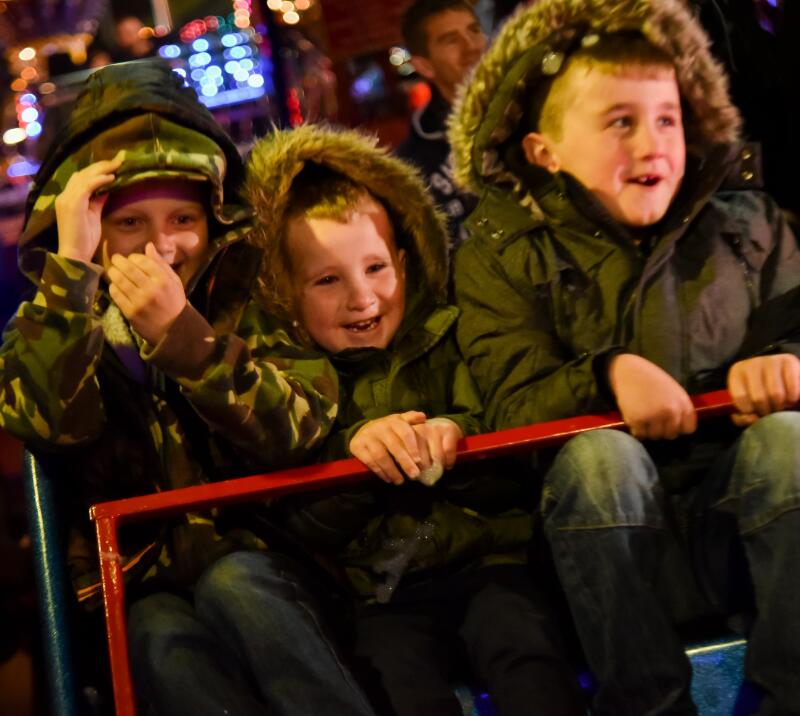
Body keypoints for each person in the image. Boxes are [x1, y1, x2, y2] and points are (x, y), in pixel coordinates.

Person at [449, 0, 800, 713]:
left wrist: (785, 362)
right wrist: (606, 376)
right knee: (598, 457)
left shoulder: (751, 226)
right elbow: (507, 400)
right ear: (543, 149)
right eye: (620, 122)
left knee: (790, 443)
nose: (653, 146)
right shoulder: (499, 253)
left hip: (735, 529)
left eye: (667, 119)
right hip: (595, 552)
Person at [0, 60, 379, 716]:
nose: (162, 248)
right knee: (154, 639)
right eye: (129, 225)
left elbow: (299, 427)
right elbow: (46, 426)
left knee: (238, 585)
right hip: (135, 582)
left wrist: (187, 340)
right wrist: (69, 270)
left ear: (214, 216)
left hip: (267, 553)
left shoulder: (253, 293)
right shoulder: (55, 309)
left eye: (183, 219)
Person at [244, 124, 585, 716]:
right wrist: (353, 458)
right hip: (380, 595)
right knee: (395, 686)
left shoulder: (450, 333)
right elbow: (300, 523)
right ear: (287, 295)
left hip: (491, 563)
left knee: (528, 655)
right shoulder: (290, 382)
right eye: (328, 280)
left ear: (405, 259)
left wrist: (459, 437)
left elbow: (515, 458)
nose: (363, 298)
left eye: (376, 268)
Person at [397, 0, 486, 253]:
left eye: (474, 30)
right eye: (451, 40)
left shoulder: (534, 110)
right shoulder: (413, 167)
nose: (472, 47)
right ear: (424, 65)